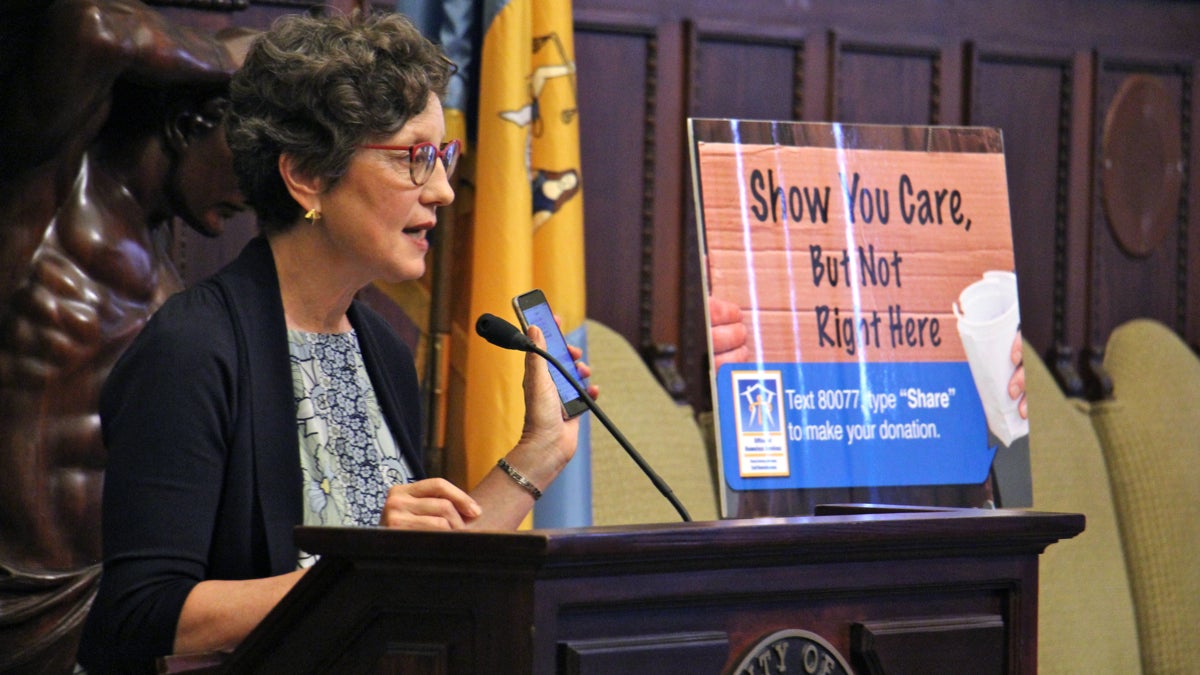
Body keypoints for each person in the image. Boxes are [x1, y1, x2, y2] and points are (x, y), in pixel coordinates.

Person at [76, 11, 595, 673]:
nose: (441, 189)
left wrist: (542, 451)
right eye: (416, 157)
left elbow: (421, 575)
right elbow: (139, 619)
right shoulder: (191, 350)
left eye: (445, 157)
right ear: (308, 177)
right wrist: (360, 567)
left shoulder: (380, 348)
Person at [0, 1, 248, 670]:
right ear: (193, 120)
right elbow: (88, 25)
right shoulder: (43, 194)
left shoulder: (166, 268)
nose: (252, 189)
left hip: (126, 604)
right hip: (24, 596)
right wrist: (233, 62)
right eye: (248, 147)